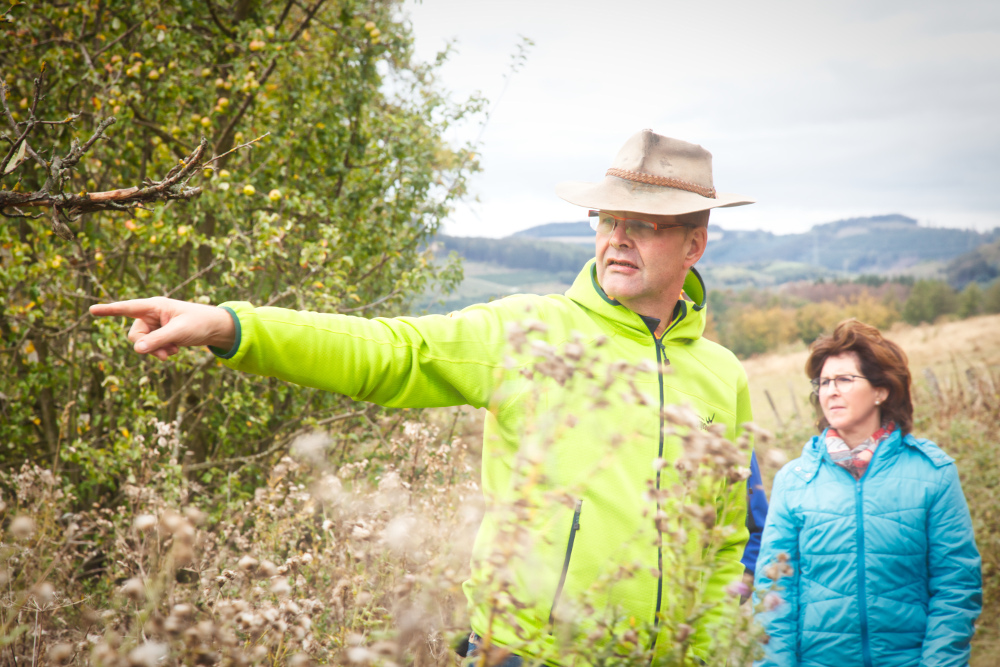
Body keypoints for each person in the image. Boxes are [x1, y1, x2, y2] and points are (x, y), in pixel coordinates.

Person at [91, 129, 765, 663]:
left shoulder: (723, 375)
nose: (617, 237)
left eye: (643, 223)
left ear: (694, 243)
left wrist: (706, 651)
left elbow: (727, 538)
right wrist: (232, 325)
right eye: (608, 218)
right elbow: (389, 350)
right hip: (526, 655)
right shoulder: (531, 331)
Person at [754, 319, 981, 666]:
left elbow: (956, 587)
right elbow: (774, 594)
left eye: (845, 379)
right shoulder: (794, 480)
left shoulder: (933, 474)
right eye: (824, 382)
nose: (830, 390)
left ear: (881, 390)